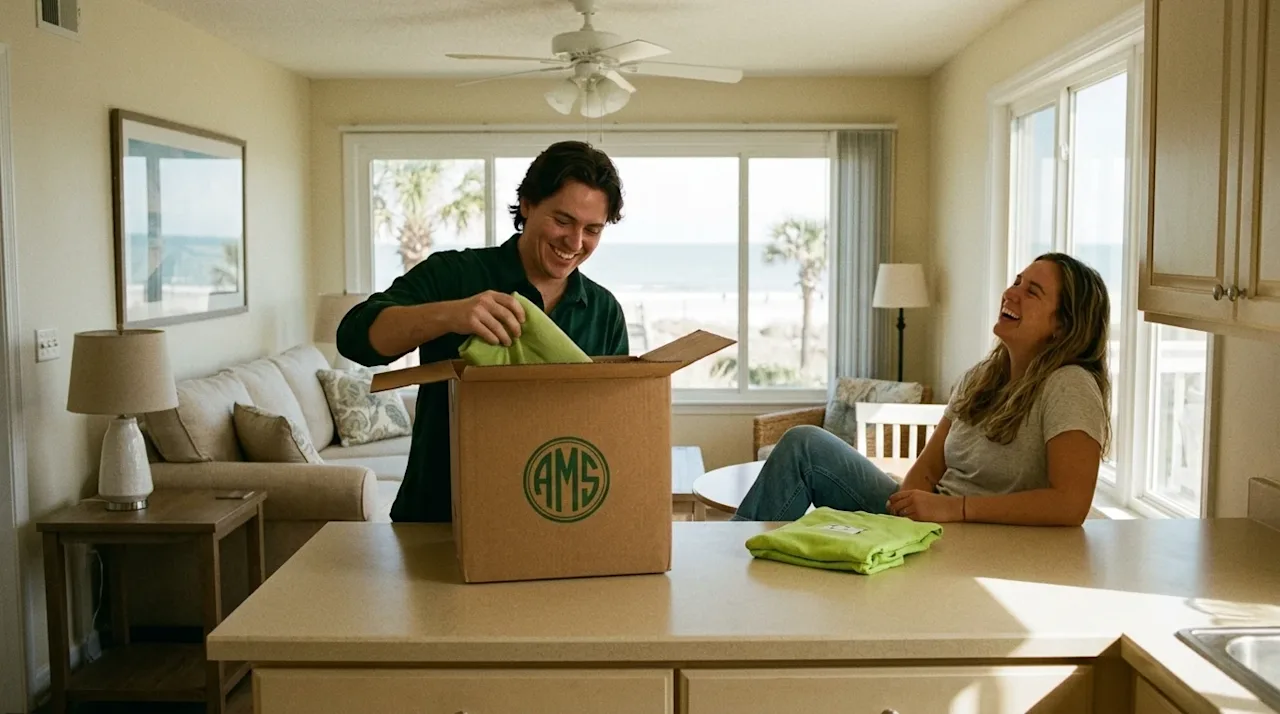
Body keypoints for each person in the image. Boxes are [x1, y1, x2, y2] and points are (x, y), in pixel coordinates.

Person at [336, 141, 631, 523]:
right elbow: (355, 338)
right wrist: (449, 315)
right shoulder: (453, 275)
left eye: (592, 230)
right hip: (439, 514)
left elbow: (613, 425)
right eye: (562, 221)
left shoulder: (604, 312)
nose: (575, 244)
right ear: (527, 204)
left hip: (550, 519)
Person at [734, 252, 1112, 527]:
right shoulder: (982, 377)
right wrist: (902, 520)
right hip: (931, 522)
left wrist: (955, 509)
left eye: (1033, 292)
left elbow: (1070, 503)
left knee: (804, 448)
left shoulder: (1069, 384)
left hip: (974, 534)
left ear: (1062, 325)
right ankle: (734, 564)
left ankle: (730, 574)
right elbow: (928, 468)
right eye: (1016, 281)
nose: (1011, 293)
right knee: (804, 446)